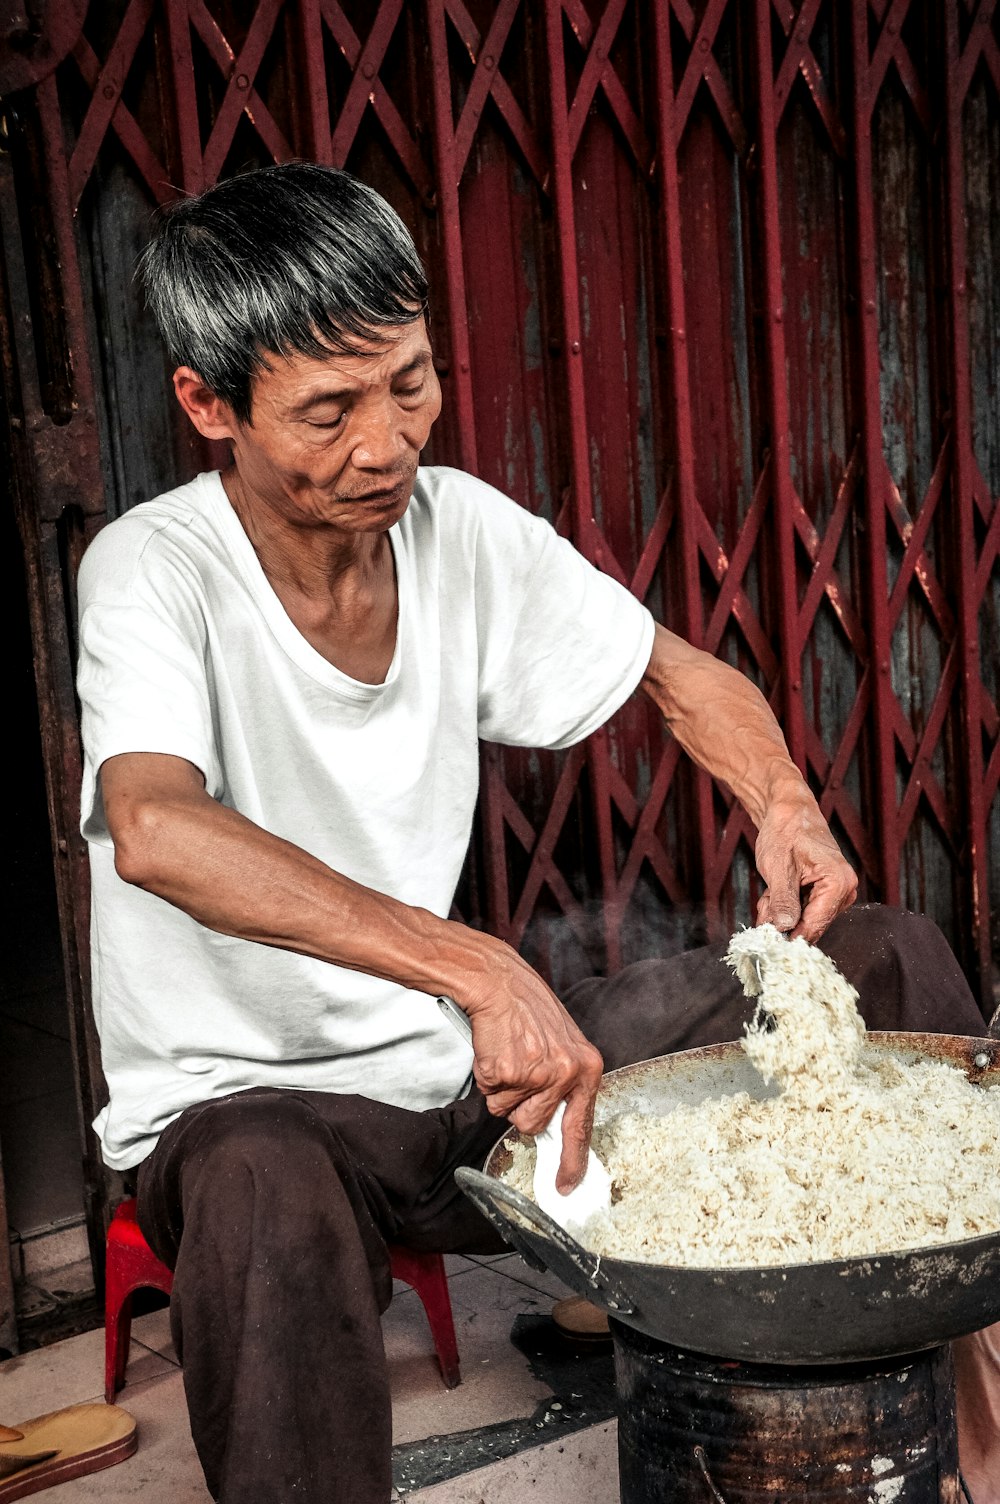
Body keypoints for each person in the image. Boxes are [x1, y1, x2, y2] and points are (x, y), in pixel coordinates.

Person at [75, 161, 994, 1504]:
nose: (386, 442)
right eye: (327, 411)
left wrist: (783, 803)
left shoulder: (457, 534)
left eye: (410, 383)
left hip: (474, 1096)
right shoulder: (155, 574)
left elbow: (685, 679)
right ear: (208, 406)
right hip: (251, 1119)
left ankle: (979, 1408)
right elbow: (159, 829)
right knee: (264, 1183)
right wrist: (478, 966)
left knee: (884, 957)